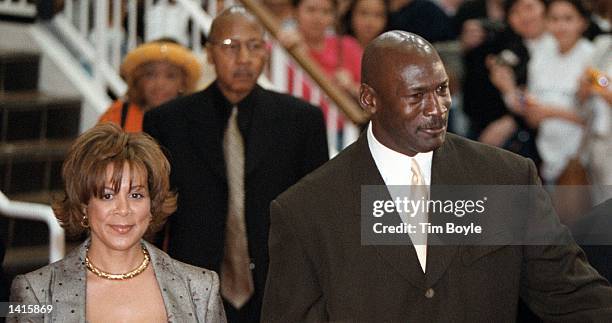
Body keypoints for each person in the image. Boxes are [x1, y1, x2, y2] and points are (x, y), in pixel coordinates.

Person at [261, 30, 612, 321]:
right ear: (370, 99)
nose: (437, 109)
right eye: (416, 96)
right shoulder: (307, 210)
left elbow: (570, 293)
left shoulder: (502, 178)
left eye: (442, 89)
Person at [143, 6, 328, 322]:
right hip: (190, 286)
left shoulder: (301, 121)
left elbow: (316, 214)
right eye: (230, 46)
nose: (243, 58)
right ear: (210, 53)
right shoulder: (168, 122)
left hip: (278, 288)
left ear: (265, 53)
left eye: (254, 46)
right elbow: (154, 215)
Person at [8, 123, 226, 322]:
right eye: (107, 195)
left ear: (152, 205)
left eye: (136, 195)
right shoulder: (35, 293)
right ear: (84, 205)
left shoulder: (201, 289)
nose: (123, 209)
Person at [98, 40, 201, 132]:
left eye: (170, 76)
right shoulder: (117, 115)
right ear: (138, 79)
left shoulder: (194, 118)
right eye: (150, 74)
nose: (159, 84)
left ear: (183, 83)